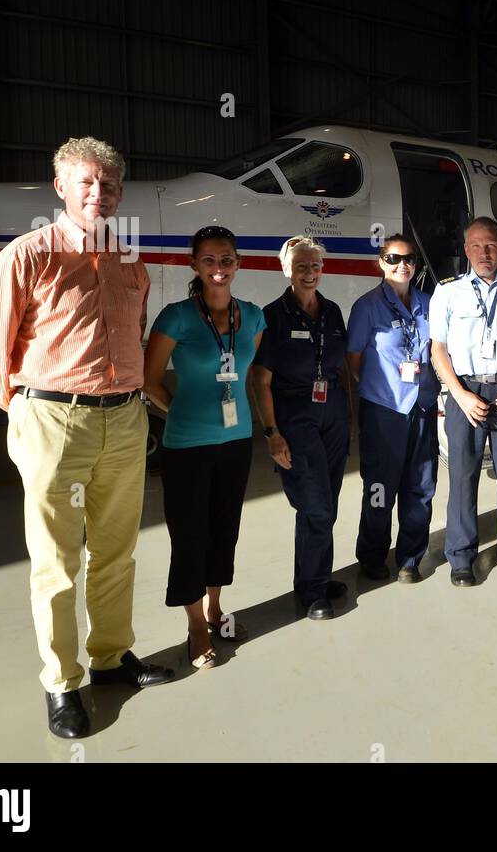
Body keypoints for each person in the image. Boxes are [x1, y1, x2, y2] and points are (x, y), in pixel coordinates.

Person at [0, 136, 173, 739]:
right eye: (85, 183)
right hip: (55, 421)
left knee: (116, 550)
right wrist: (30, 414)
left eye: (107, 185)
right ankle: (62, 682)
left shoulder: (131, 264)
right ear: (60, 188)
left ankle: (109, 658)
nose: (97, 194)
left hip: (126, 419)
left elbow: (132, 339)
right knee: (56, 561)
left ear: (119, 193)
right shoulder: (27, 258)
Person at [142, 226, 265, 669]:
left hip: (236, 441)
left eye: (227, 259)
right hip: (187, 446)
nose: (219, 268)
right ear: (194, 265)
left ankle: (216, 608)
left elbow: (248, 372)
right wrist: (177, 410)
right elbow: (147, 377)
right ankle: (195, 623)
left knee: (224, 528)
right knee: (190, 534)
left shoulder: (252, 316)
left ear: (238, 263)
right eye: (210, 260)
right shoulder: (175, 317)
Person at [429, 217, 497, 586]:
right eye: (475, 245)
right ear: (465, 250)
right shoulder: (447, 292)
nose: (483, 252)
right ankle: (461, 557)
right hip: (465, 392)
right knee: (463, 477)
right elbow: (437, 349)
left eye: (490, 245)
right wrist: (458, 394)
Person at [253, 237, 352, 620]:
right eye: (301, 267)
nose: (309, 274)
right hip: (295, 413)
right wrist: (272, 433)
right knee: (315, 504)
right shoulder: (273, 315)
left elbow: (341, 368)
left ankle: (314, 577)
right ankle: (312, 592)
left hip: (333, 413)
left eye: (315, 267)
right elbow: (260, 380)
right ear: (286, 270)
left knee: (328, 501)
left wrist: (348, 419)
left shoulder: (332, 312)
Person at [346, 234, 440, 584]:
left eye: (409, 259)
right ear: (381, 262)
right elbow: (353, 359)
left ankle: (410, 558)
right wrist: (380, 388)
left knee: (420, 486)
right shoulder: (367, 306)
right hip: (384, 410)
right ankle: (372, 556)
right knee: (380, 488)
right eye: (394, 258)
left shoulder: (429, 304)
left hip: (422, 406)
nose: (403, 265)